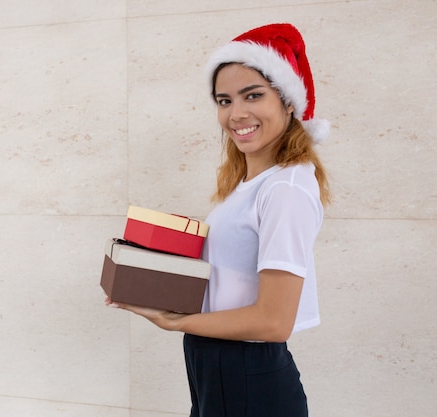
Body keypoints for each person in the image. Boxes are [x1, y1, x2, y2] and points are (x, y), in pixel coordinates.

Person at [106, 23, 331, 416]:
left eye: (253, 95)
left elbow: (274, 322)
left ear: (289, 102)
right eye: (224, 100)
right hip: (217, 366)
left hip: (246, 374)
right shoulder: (249, 184)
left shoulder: (285, 189)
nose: (236, 113)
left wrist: (176, 322)